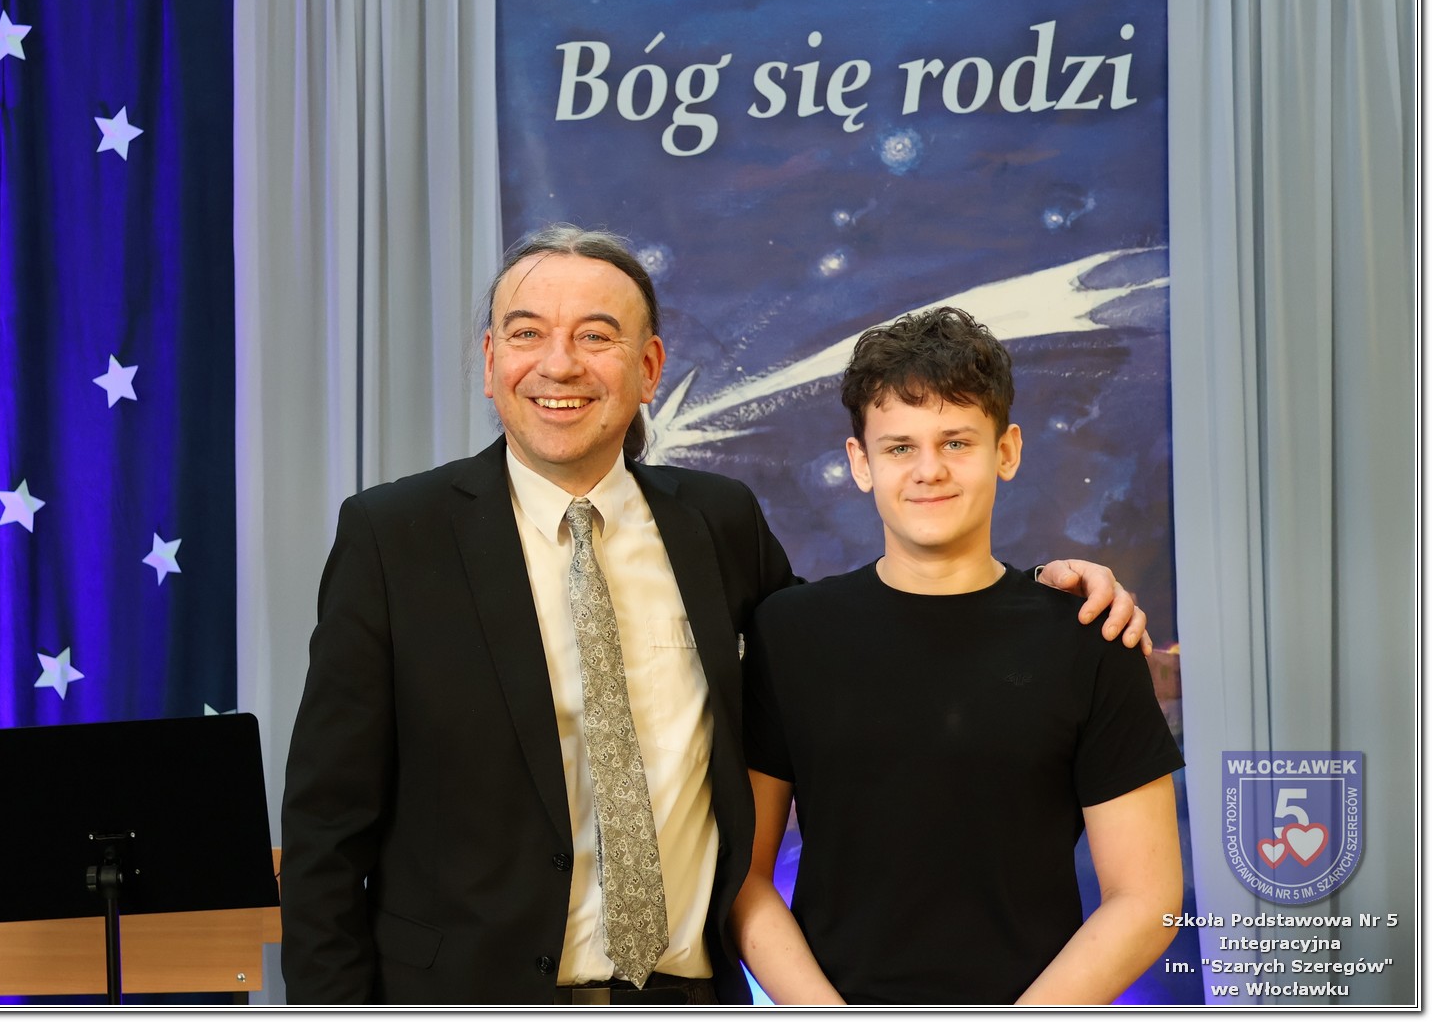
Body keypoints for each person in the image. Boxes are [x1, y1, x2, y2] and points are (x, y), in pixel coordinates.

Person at [279, 226, 1149, 1005]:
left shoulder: (719, 524)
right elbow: (326, 831)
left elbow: (882, 635)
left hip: (687, 998)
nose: (560, 364)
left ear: (649, 368)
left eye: (597, 336)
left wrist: (1042, 592)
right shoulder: (394, 538)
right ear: (489, 361)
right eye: (527, 333)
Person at [734, 306, 1183, 1005]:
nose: (930, 470)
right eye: (900, 447)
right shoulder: (789, 633)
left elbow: (1146, 895)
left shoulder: (1089, 635)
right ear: (860, 463)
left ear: (1007, 451)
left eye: (956, 441)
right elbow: (746, 879)